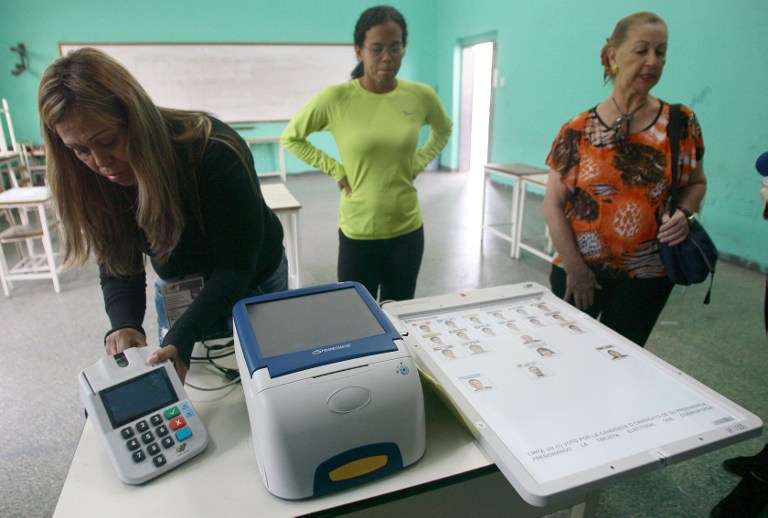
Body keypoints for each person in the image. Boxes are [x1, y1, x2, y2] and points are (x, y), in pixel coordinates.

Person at [39, 48, 288, 382]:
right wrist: (125, 323)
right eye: (81, 150)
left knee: (267, 386)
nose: (100, 163)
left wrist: (183, 335)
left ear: (133, 116)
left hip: (252, 280)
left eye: (108, 141)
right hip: (180, 286)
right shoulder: (91, 176)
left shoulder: (213, 151)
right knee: (193, 388)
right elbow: (118, 260)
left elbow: (236, 267)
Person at [542, 11, 707, 347]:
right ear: (614, 55)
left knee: (624, 365)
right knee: (568, 359)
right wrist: (576, 269)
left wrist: (685, 214)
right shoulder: (577, 130)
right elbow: (553, 204)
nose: (652, 61)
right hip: (579, 272)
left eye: (661, 52)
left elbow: (696, 183)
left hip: (648, 277)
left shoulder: (680, 122)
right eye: (642, 50)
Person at [281, 5, 452, 302]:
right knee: (358, 315)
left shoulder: (421, 95)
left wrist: (419, 162)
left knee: (400, 315)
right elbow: (292, 137)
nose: (387, 57)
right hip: (358, 233)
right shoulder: (337, 98)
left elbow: (443, 129)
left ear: (403, 49)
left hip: (406, 230)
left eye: (395, 48)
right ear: (359, 51)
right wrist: (335, 168)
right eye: (377, 49)